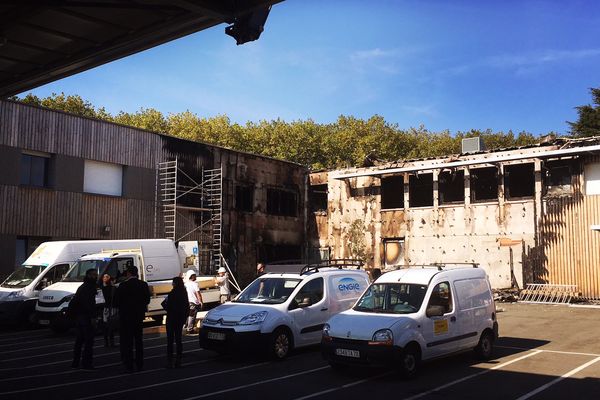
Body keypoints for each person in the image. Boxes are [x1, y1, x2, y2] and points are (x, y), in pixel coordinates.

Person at [114, 265, 151, 372]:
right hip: (138, 316)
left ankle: (129, 364)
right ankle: (140, 363)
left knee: (128, 341)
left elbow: (116, 302)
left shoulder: (123, 285)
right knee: (139, 340)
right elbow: (147, 300)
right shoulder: (143, 285)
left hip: (126, 317)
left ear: (128, 273)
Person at [70, 268, 98, 370]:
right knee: (88, 341)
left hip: (79, 316)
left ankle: (76, 362)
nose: (96, 277)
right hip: (86, 317)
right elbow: (89, 304)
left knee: (79, 341)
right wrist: (93, 317)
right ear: (89, 275)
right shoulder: (89, 287)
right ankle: (87, 363)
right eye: (94, 275)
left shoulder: (82, 287)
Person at [165, 276, 188, 368]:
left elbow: (167, 305)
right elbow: (187, 306)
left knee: (170, 340)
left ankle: (169, 360)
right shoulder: (183, 293)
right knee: (178, 340)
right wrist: (184, 318)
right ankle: (178, 360)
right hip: (179, 319)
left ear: (174, 283)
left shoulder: (172, 293)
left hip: (171, 318)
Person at [184, 270, 203, 334]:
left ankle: (185, 327)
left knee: (188, 315)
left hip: (187, 302)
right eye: (195, 275)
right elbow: (198, 294)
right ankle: (190, 329)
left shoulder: (186, 284)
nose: (196, 276)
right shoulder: (195, 284)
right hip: (193, 302)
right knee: (192, 316)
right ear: (191, 276)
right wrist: (201, 301)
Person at [100, 274, 117, 347]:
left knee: (106, 325)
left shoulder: (103, 289)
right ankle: (111, 342)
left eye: (106, 277)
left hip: (106, 308)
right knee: (111, 325)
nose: (104, 278)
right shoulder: (114, 288)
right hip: (112, 308)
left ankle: (106, 342)